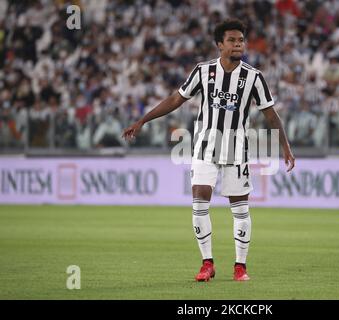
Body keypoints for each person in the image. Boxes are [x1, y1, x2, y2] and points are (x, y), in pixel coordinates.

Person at [122, 19, 295, 282]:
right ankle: (207, 263)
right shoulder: (203, 72)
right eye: (232, 40)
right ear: (219, 44)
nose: (238, 45)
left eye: (241, 40)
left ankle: (240, 266)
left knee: (240, 209)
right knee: (199, 202)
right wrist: (143, 120)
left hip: (237, 150)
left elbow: (271, 115)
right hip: (205, 147)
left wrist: (285, 147)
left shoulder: (254, 77)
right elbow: (175, 100)